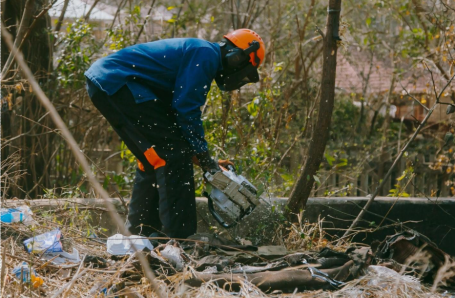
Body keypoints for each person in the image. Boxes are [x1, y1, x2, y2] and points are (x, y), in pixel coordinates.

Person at [85, 29, 265, 238]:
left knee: (154, 157)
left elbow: (175, 118)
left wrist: (203, 158)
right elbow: (186, 109)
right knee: (173, 154)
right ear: (238, 57)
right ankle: (180, 238)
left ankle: (141, 235)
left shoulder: (201, 53)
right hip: (119, 82)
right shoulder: (206, 54)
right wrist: (205, 159)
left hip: (108, 83)